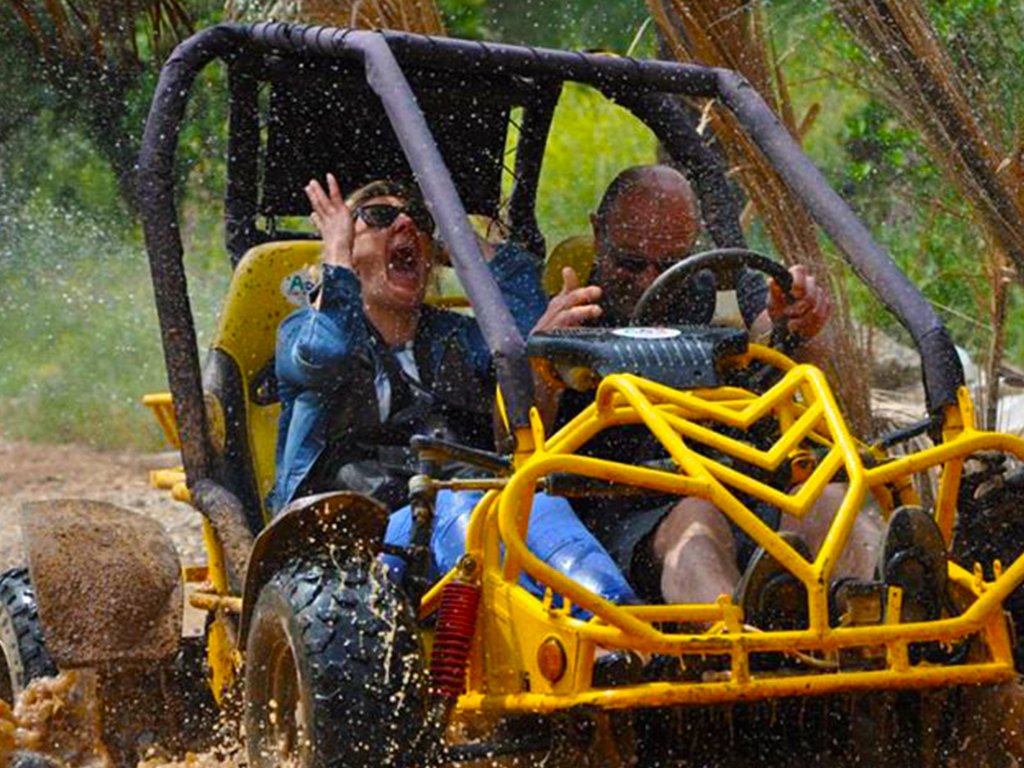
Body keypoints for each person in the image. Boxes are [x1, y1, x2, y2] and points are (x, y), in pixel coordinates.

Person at [532, 164, 942, 627]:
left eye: (667, 265)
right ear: (597, 232)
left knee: (824, 497)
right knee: (696, 516)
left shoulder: (722, 286)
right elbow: (511, 443)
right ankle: (740, 645)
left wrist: (800, 322)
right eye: (629, 262)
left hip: (746, 490)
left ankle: (884, 614)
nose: (648, 279)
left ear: (692, 243)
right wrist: (541, 360)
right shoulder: (566, 306)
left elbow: (778, 333)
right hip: (627, 508)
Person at [271, 174, 638, 612]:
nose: (406, 224)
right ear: (348, 245)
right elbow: (323, 353)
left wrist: (456, 235)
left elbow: (517, 336)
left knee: (533, 506)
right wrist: (335, 256)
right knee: (464, 513)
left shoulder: (455, 337)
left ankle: (617, 623)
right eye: (380, 217)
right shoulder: (305, 332)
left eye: (421, 221)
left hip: (464, 513)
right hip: (349, 540)